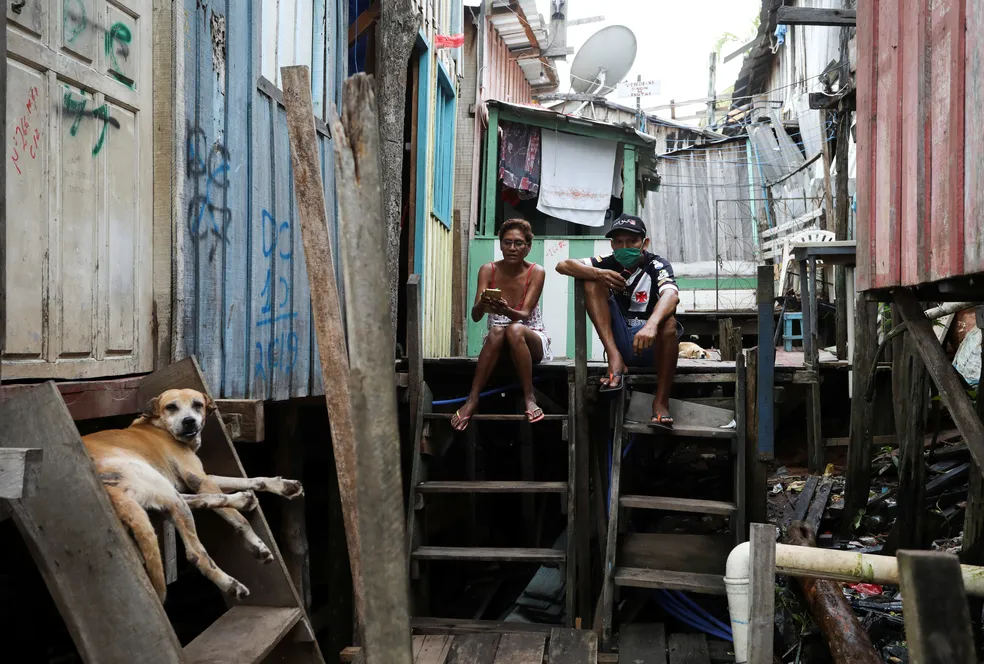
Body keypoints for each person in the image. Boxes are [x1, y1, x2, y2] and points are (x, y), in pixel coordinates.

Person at [555, 213, 681, 429]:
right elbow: (562, 265)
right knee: (591, 282)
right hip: (621, 344)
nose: (625, 246)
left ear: (644, 243)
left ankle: (660, 402)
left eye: (631, 241)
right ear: (612, 244)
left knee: (669, 324)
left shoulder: (657, 264)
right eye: (619, 241)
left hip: (654, 346)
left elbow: (671, 295)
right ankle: (614, 360)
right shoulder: (608, 262)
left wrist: (651, 325)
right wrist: (598, 273)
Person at [451, 219, 552, 431]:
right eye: (507, 243)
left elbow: (524, 314)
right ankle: (472, 399)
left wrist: (506, 310)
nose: (512, 248)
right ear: (500, 244)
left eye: (518, 243)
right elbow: (476, 316)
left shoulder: (536, 271)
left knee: (514, 329)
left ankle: (529, 396)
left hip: (530, 338)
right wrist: (483, 304)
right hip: (499, 342)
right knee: (497, 330)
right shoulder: (488, 270)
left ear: (528, 247)